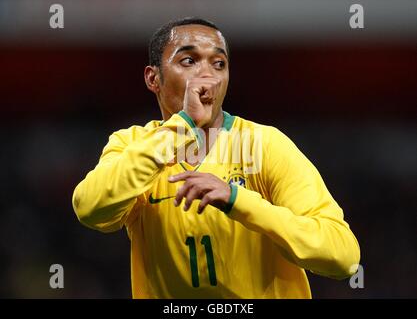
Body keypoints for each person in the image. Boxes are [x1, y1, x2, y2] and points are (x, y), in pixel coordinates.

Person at [72, 17, 360, 298]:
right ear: (153, 78)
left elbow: (342, 255)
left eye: (218, 64)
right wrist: (182, 126)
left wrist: (238, 200)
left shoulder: (264, 144)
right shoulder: (132, 144)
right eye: (189, 61)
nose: (207, 75)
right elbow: (91, 209)